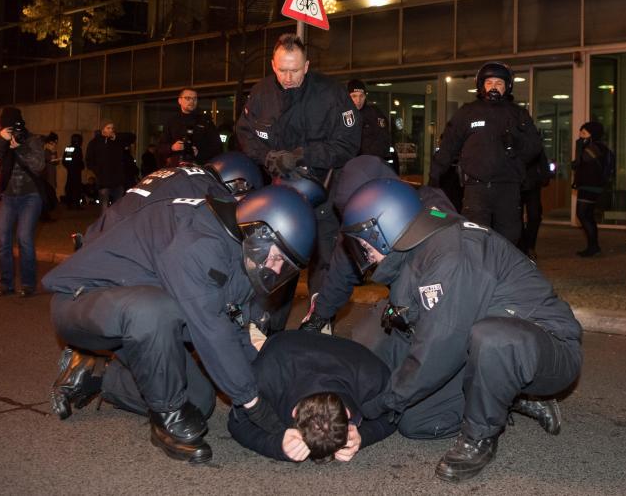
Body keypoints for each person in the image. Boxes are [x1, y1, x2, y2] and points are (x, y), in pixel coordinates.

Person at [43, 185, 316, 463]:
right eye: (278, 257)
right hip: (81, 301)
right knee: (155, 310)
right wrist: (258, 409)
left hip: (137, 318)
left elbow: (235, 331)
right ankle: (167, 421)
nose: (277, 269)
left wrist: (277, 392)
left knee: (199, 401)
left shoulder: (239, 251)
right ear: (259, 232)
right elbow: (212, 331)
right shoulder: (198, 241)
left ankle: (99, 375)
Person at [340, 179, 582, 483]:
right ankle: (504, 394)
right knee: (418, 423)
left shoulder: (451, 257)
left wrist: (378, 404)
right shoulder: (419, 250)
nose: (363, 251)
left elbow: (437, 348)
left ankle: (480, 437)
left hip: (546, 343)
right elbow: (411, 329)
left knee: (494, 339)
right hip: (481, 341)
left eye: (365, 242)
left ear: (388, 230)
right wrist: (364, 388)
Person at [235, 32, 361, 313]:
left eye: (294, 70)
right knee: (275, 260)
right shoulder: (261, 94)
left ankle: (320, 320)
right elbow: (245, 133)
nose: (288, 77)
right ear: (272, 65)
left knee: (324, 260)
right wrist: (267, 157)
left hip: (323, 191)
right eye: (282, 70)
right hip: (280, 196)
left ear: (306, 66)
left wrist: (302, 155)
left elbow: (348, 144)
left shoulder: (331, 94)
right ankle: (269, 323)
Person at [299, 155, 455, 335]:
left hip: (446, 302)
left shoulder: (431, 209)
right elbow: (341, 271)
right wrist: (319, 316)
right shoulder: (358, 223)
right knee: (366, 339)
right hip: (402, 297)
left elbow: (456, 267)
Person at [227, 330, 396, 463]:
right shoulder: (266, 375)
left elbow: (396, 413)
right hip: (281, 345)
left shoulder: (372, 376)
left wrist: (363, 436)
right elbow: (236, 421)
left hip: (350, 354)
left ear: (349, 412)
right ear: (294, 412)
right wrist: (276, 446)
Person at [428, 62, 541, 245]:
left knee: (509, 238)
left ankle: (504, 272)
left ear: (507, 87)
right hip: (476, 189)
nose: (494, 87)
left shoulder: (518, 114)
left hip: (508, 188)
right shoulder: (467, 113)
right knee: (475, 238)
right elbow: (448, 145)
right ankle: (478, 272)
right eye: (490, 83)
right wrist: (434, 177)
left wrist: (516, 144)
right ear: (481, 86)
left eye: (499, 83)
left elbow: (535, 147)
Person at [81, 151, 264, 246]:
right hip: (124, 248)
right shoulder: (207, 190)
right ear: (238, 184)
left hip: (98, 233)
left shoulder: (179, 174)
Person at [0, 107, 46, 297]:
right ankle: (6, 285)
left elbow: (39, 165)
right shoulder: (0, 141)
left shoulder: (32, 139)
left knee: (24, 238)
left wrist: (20, 147)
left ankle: (28, 285)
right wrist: (0, 139)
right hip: (6, 197)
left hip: (30, 196)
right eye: (6, 128)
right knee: (3, 242)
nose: (12, 132)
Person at [572, 121, 612, 257]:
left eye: (584, 133)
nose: (580, 136)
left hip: (590, 186)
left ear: (592, 135)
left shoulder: (595, 148)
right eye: (580, 133)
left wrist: (579, 146)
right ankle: (593, 246)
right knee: (587, 216)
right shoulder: (597, 147)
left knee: (582, 214)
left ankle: (593, 246)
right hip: (590, 185)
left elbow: (582, 160)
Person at [156, 88, 222, 167]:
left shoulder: (205, 121)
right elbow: (160, 148)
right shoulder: (172, 122)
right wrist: (172, 147)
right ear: (179, 100)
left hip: (199, 168)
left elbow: (217, 147)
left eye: (195, 99)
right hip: (176, 169)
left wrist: (199, 153)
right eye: (188, 98)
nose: (192, 101)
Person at [85, 120, 137, 210]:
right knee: (104, 207)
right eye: (108, 128)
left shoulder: (117, 141)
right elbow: (89, 160)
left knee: (117, 207)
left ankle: (115, 223)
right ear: (103, 129)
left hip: (117, 180)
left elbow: (132, 137)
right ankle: (105, 223)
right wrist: (98, 171)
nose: (110, 130)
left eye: (112, 128)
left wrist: (116, 137)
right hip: (104, 181)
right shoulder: (95, 142)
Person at [347, 79, 394, 170]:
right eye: (354, 96)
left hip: (369, 165)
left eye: (361, 96)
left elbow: (383, 140)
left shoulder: (374, 114)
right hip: (346, 166)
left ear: (365, 96)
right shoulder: (340, 114)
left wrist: (365, 159)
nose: (358, 100)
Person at [517, 144, 552, 258]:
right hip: (516, 184)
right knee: (517, 217)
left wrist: (544, 177)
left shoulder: (532, 137)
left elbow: (542, 158)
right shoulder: (511, 134)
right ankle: (523, 247)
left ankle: (530, 246)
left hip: (533, 184)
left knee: (535, 216)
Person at [62, 133, 85, 209]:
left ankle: (69, 204)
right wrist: (80, 166)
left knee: (69, 187)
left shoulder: (68, 148)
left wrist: (69, 167)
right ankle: (77, 205)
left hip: (70, 171)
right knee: (76, 188)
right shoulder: (78, 148)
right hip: (76, 171)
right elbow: (79, 160)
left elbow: (65, 160)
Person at [41, 132, 60, 221]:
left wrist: (54, 153)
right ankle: (45, 215)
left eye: (55, 143)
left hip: (51, 176)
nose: (54, 145)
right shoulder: (44, 152)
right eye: (52, 143)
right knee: (47, 196)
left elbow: (55, 162)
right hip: (46, 177)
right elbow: (51, 161)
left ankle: (46, 215)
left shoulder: (51, 151)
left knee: (49, 196)